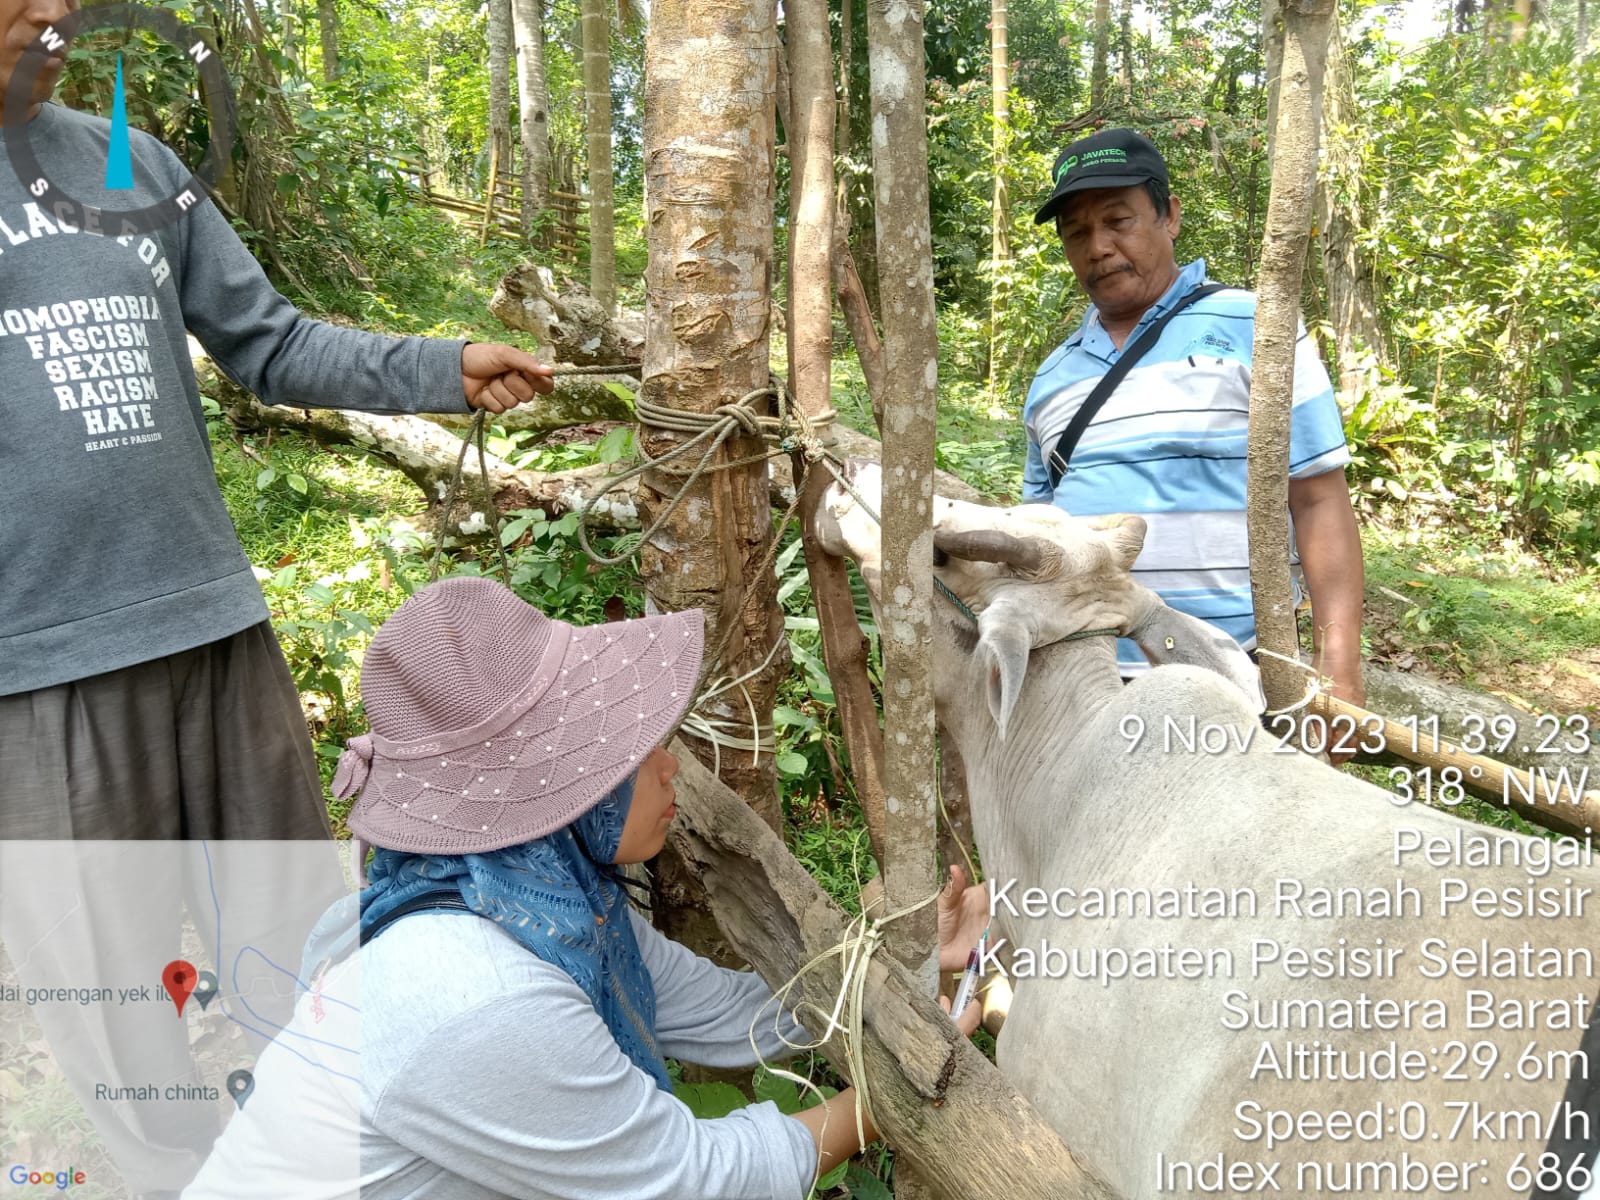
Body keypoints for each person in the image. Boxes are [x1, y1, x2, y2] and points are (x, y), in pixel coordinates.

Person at [181, 576, 981, 1199]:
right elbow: (690, 1183)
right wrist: (887, 1106)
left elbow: (744, 1016)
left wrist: (914, 965)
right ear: (556, 793)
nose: (671, 766)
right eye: (623, 750)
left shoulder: (545, 914)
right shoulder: (483, 995)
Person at [0, 0, 556, 840]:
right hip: (39, 662)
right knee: (95, 968)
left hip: (212, 620)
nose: (57, 10)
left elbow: (273, 343)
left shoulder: (135, 163)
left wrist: (446, 368)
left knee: (291, 935)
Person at [1021, 128, 1366, 725]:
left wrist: (1340, 665)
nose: (1098, 246)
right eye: (1077, 233)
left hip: (1238, 684)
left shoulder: (1256, 326)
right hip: (1086, 688)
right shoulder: (1053, 376)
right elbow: (1043, 536)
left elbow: (1317, 500)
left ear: (1170, 216)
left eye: (1118, 220)